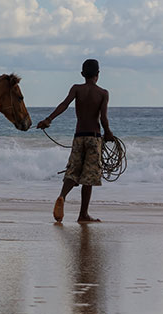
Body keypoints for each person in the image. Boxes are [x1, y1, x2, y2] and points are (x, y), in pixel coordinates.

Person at [37, 58, 115, 223]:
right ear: (98, 74)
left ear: (82, 74)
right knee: (89, 177)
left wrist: (48, 119)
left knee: (72, 171)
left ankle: (62, 197)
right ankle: (83, 214)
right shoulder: (102, 93)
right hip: (94, 138)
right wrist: (108, 133)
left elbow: (64, 105)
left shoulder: (76, 89)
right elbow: (103, 119)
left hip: (78, 136)